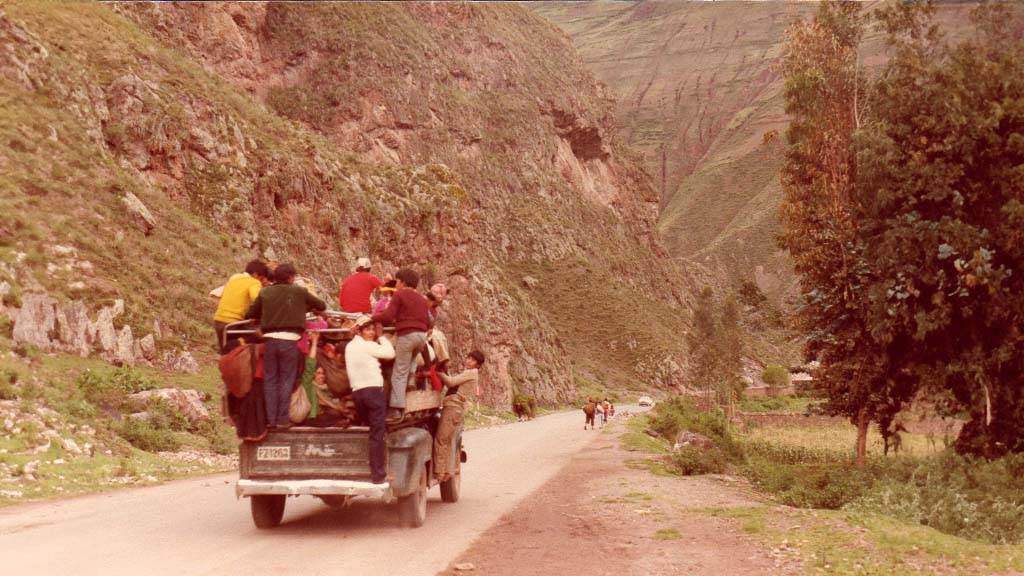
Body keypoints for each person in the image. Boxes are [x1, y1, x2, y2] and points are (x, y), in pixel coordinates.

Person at [246, 263, 327, 429]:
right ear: (291, 277)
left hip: (269, 341)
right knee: (286, 380)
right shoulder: (299, 291)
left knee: (270, 380)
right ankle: (282, 419)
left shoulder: (265, 292)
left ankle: (271, 420)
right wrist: (303, 307)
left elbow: (251, 313)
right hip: (289, 341)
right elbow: (321, 305)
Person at [371, 268, 431, 424]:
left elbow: (388, 316)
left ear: (403, 282)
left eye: (397, 281)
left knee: (399, 372)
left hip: (407, 335)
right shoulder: (421, 299)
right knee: (409, 367)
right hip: (421, 337)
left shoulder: (399, 295)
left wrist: (372, 318)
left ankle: (396, 409)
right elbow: (429, 321)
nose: (396, 284)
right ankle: (409, 395)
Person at [345, 315, 396, 484]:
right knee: (377, 433)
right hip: (373, 391)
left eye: (373, 330)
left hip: (357, 392)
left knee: (367, 428)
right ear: (359, 331)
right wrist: (382, 336)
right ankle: (378, 474)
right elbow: (390, 353)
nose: (372, 333)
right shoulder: (369, 345)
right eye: (368, 329)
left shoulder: (350, 346)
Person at [433, 350, 484, 482]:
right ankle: (447, 471)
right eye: (468, 358)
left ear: (478, 365)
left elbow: (451, 382)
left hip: (452, 407)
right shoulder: (470, 373)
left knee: (441, 439)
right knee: (449, 440)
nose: (469, 361)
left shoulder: (471, 373)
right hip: (456, 409)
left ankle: (439, 472)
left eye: (473, 360)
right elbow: (454, 382)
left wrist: (438, 372)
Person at [213, 260, 271, 353]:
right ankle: (241, 343)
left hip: (218, 321)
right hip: (233, 323)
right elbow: (258, 300)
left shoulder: (234, 279)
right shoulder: (254, 282)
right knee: (261, 333)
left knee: (226, 353)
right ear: (255, 275)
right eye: (261, 278)